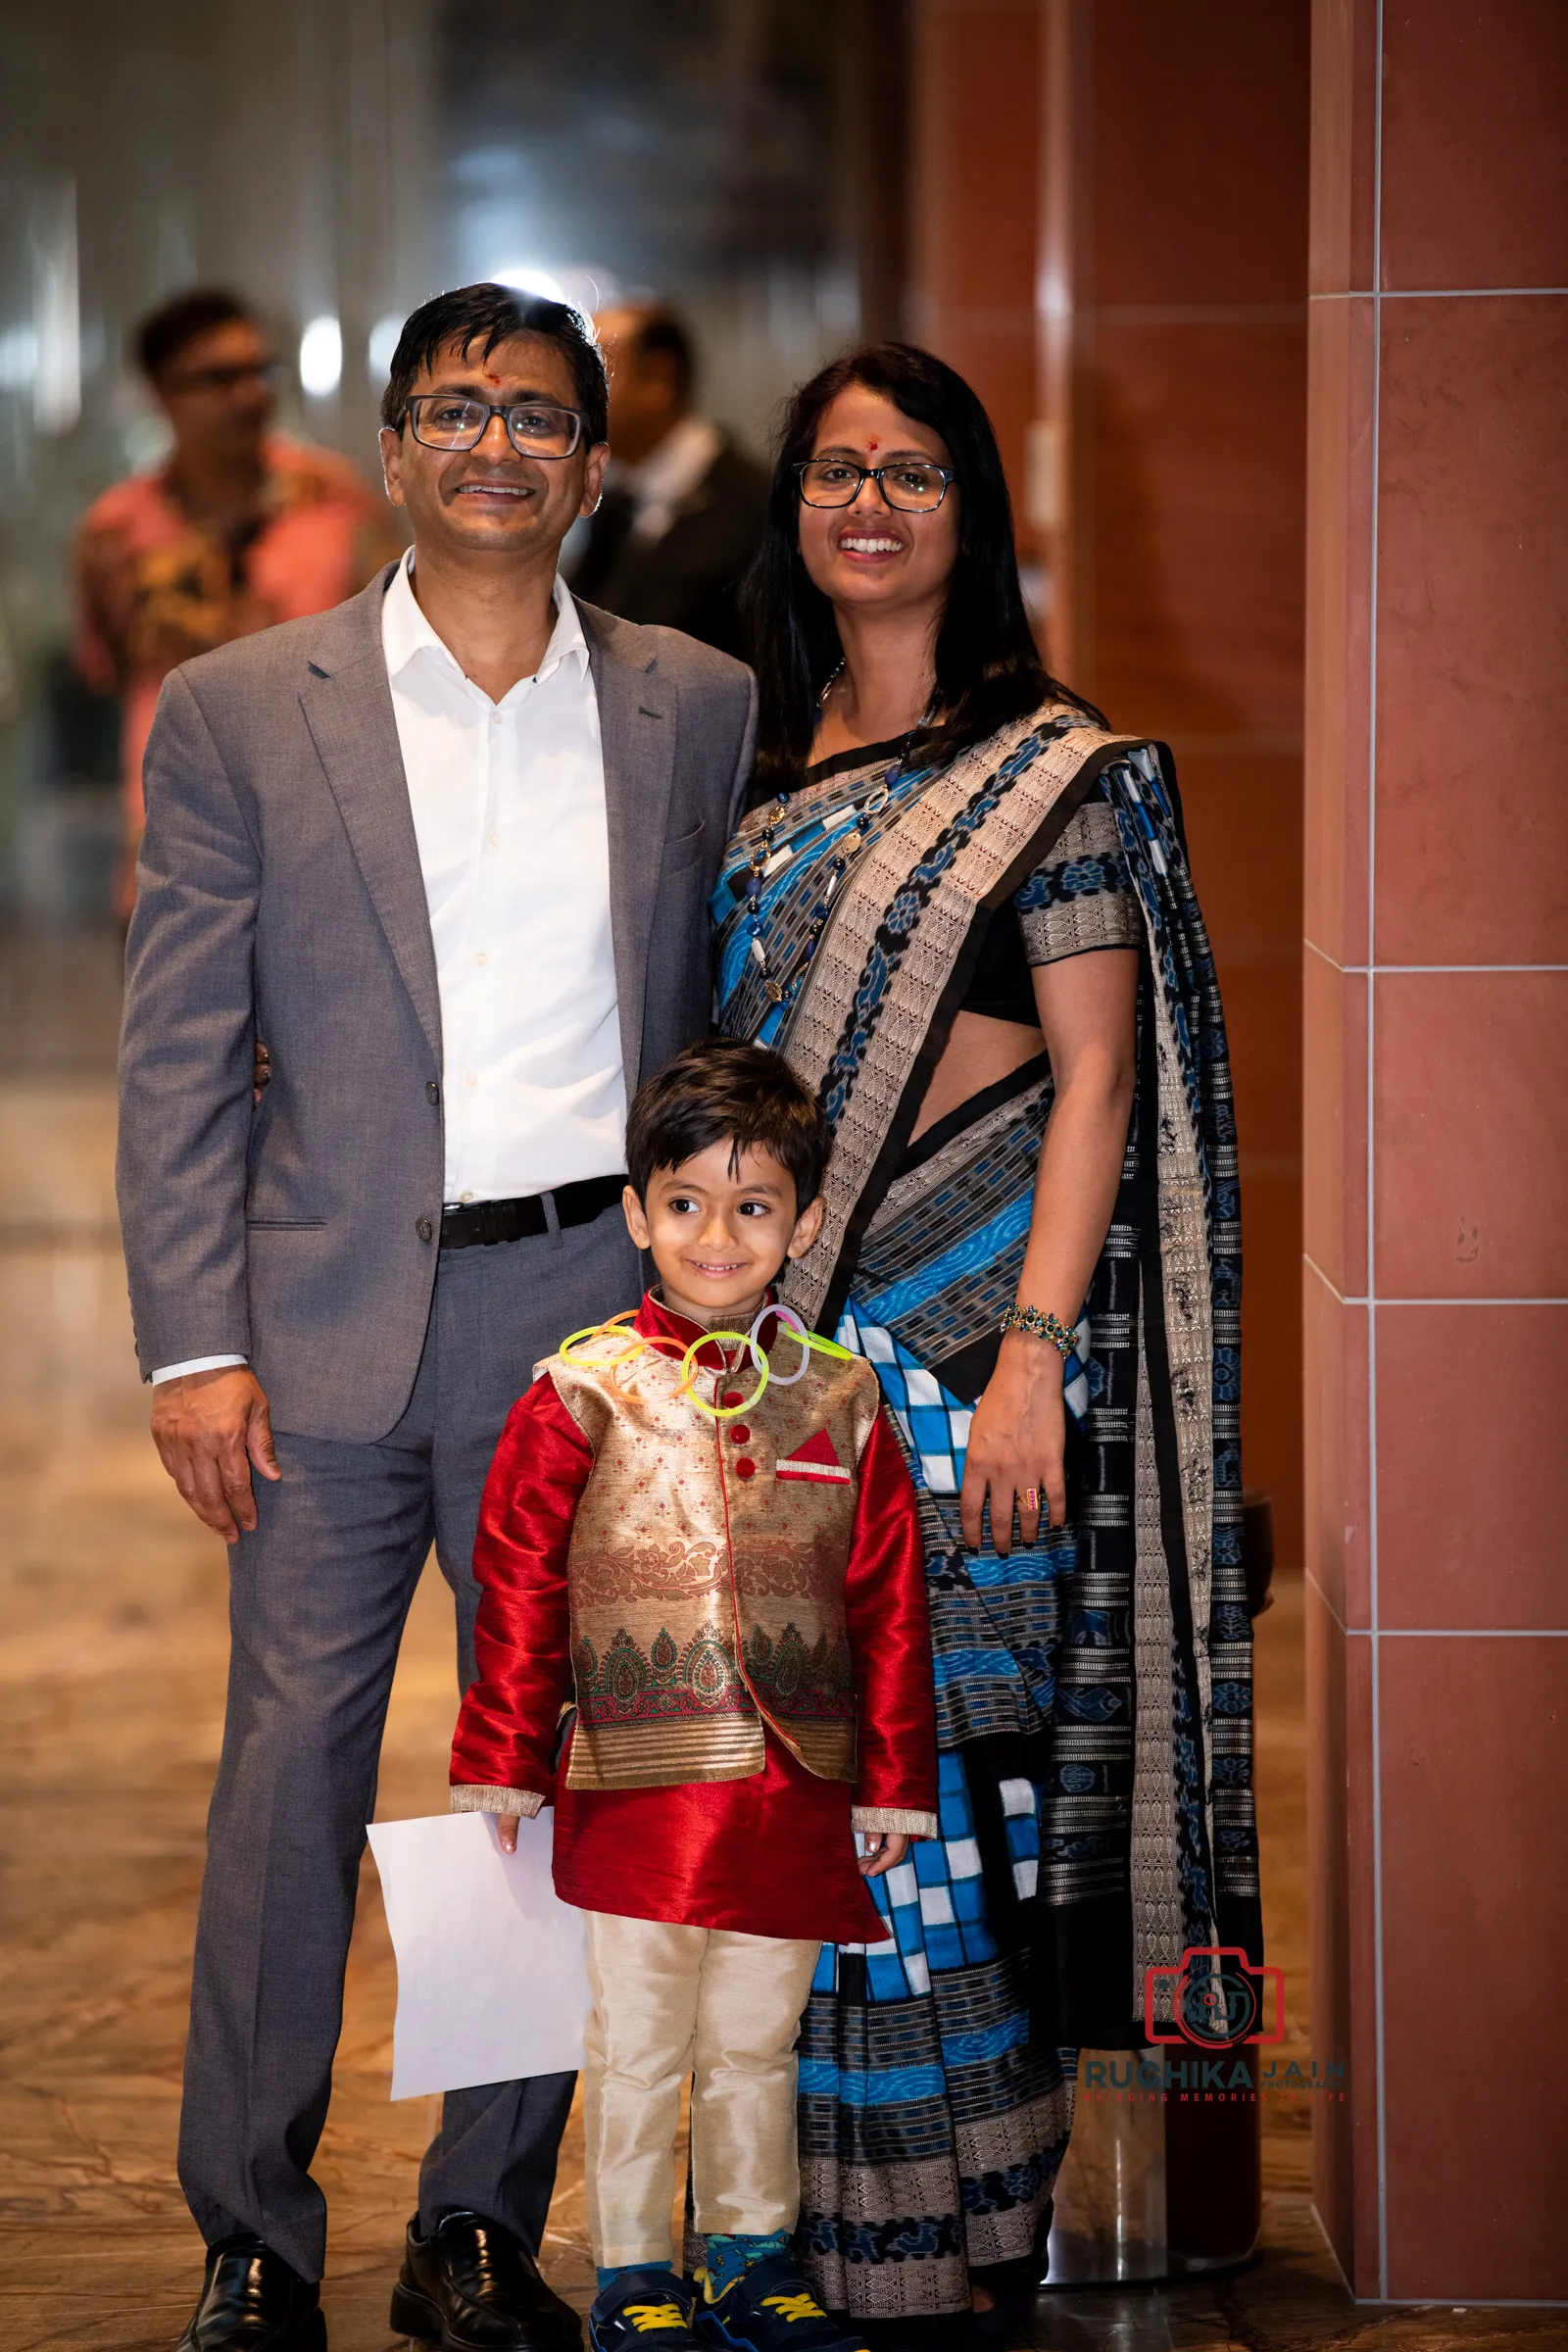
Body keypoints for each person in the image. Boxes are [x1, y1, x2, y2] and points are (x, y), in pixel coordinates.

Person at [117, 282, 757, 2352]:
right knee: (286, 1777)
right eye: (457, 410)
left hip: (582, 1323)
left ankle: (479, 2223)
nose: (497, 445)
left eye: (537, 416)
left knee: (536, 1777)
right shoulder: (242, 706)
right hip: (317, 1325)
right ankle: (251, 2232)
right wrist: (191, 1343)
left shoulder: (692, 703)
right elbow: (178, 1052)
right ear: (393, 448)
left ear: (591, 462)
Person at [712, 345, 1261, 2338]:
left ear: (973, 510)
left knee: (942, 1790)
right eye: (835, 468)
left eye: (913, 470)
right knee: (808, 1774)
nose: (869, 502)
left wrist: (1034, 1354)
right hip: (782, 1356)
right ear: (791, 503)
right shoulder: (755, 761)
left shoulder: (1049, 769)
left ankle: (961, 2226)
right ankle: (814, 2224)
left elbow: (1098, 1078)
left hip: (961, 1362)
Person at [448, 1037, 938, 2352]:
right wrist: (503, 1754)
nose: (717, 1237)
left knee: (756, 2043)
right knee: (638, 2043)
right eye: (684, 1204)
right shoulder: (582, 1390)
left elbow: (888, 1601)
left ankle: (753, 2261)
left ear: (804, 1222)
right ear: (635, 1214)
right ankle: (632, 2275)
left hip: (794, 1795)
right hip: (638, 1795)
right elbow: (520, 1582)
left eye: (753, 1205)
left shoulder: (840, 1398)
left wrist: (893, 1780)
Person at [74, 287, 399, 917]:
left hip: (324, 833)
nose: (250, 394)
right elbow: (105, 670)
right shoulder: (115, 532)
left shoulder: (336, 501)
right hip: (169, 834)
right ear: (161, 392)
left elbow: (389, 650)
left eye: (260, 371)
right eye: (220, 378)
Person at [566, 302, 768, 660]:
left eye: (594, 372)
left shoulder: (754, 503)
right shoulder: (613, 497)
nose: (572, 395)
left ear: (658, 379)